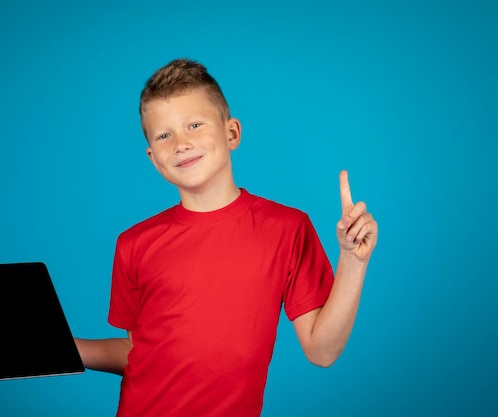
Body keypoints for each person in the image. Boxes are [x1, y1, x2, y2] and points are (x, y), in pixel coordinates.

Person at [75, 58, 378, 417]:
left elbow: (322, 351)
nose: (181, 144)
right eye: (164, 135)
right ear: (154, 158)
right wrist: (61, 346)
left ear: (231, 133)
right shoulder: (134, 244)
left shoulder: (287, 228)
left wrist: (353, 261)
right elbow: (141, 351)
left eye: (194, 125)